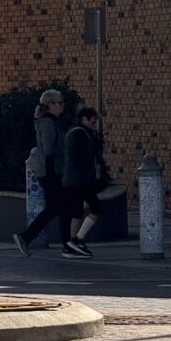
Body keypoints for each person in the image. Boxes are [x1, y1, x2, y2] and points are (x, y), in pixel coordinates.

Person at [12, 89, 75, 256]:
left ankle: (25, 237)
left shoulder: (52, 121)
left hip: (53, 171)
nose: (63, 106)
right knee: (62, 208)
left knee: (55, 208)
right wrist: (66, 149)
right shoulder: (47, 123)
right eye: (60, 103)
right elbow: (49, 149)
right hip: (51, 171)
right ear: (50, 105)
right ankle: (67, 245)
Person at [63, 107, 104, 258]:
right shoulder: (79, 134)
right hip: (80, 180)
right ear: (84, 119)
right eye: (92, 120)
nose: (94, 123)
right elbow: (82, 158)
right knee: (95, 207)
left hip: (74, 180)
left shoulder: (77, 132)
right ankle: (76, 240)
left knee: (77, 212)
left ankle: (72, 244)